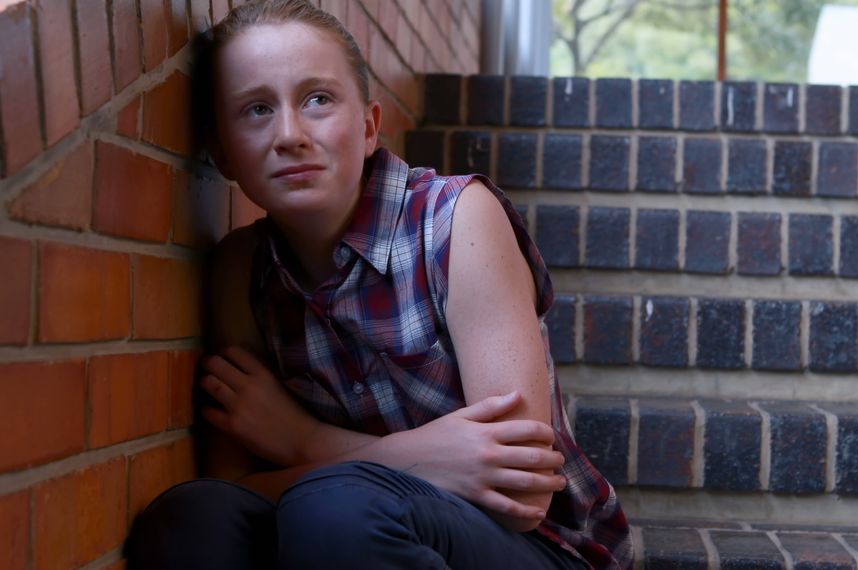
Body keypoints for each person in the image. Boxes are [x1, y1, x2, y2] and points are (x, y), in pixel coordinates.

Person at [124, 0, 632, 568]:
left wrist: (303, 443)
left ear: (368, 127)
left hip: (535, 548)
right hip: (346, 534)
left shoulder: (457, 218)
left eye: (318, 99)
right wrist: (423, 456)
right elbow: (234, 487)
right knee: (192, 514)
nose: (289, 134)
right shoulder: (240, 269)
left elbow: (522, 494)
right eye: (257, 109)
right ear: (221, 154)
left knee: (336, 510)